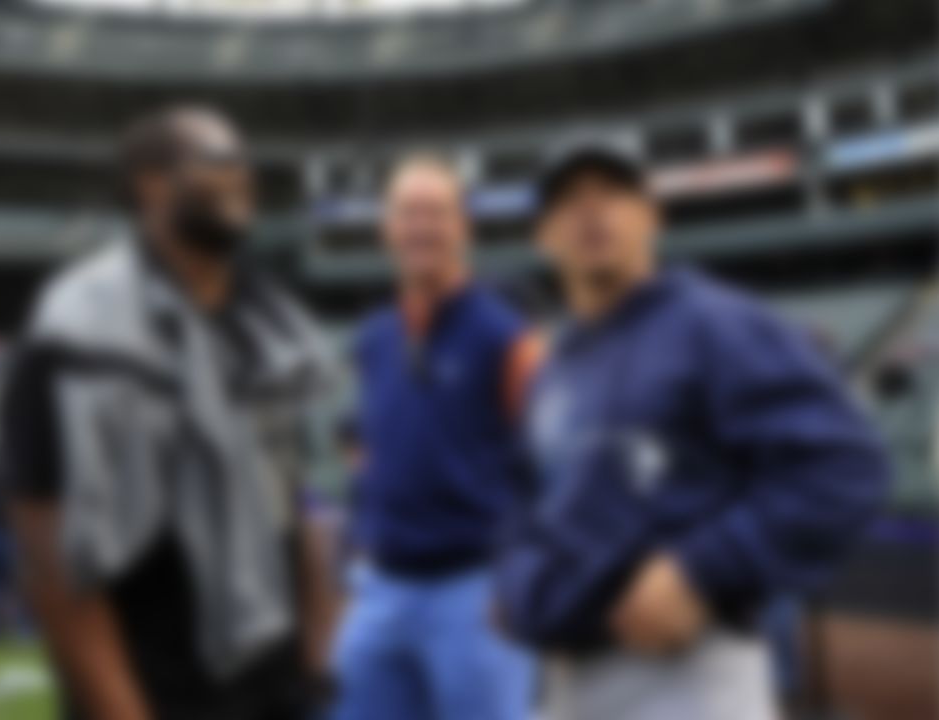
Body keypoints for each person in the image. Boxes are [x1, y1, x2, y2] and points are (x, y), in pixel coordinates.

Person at [495, 143, 891, 720]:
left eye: (613, 193)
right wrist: (513, 582)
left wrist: (704, 569)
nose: (591, 211)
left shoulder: (713, 322)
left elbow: (845, 465)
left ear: (653, 214)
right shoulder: (557, 364)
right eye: (569, 201)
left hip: (682, 675)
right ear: (543, 235)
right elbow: (525, 494)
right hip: (562, 680)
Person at [0, 106, 338, 720]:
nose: (243, 174)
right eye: (220, 159)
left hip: (274, 685)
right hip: (154, 688)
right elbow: (51, 560)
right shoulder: (74, 331)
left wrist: (317, 651)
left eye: (246, 161)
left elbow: (294, 495)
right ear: (152, 182)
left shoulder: (271, 325)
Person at [331, 155, 541, 720]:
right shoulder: (374, 337)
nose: (421, 227)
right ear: (385, 228)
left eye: (437, 213)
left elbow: (550, 462)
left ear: (464, 227)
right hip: (381, 588)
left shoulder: (505, 334)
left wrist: (521, 572)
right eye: (408, 213)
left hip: (474, 591)